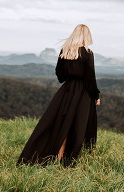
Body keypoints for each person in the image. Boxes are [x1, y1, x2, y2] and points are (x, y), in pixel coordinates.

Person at [17, 24, 100, 166]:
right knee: (78, 126)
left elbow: (60, 75)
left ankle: (56, 156)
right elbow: (90, 77)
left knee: (61, 124)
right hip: (82, 92)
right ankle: (68, 161)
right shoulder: (87, 53)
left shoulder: (65, 51)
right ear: (86, 36)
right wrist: (96, 95)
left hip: (66, 90)